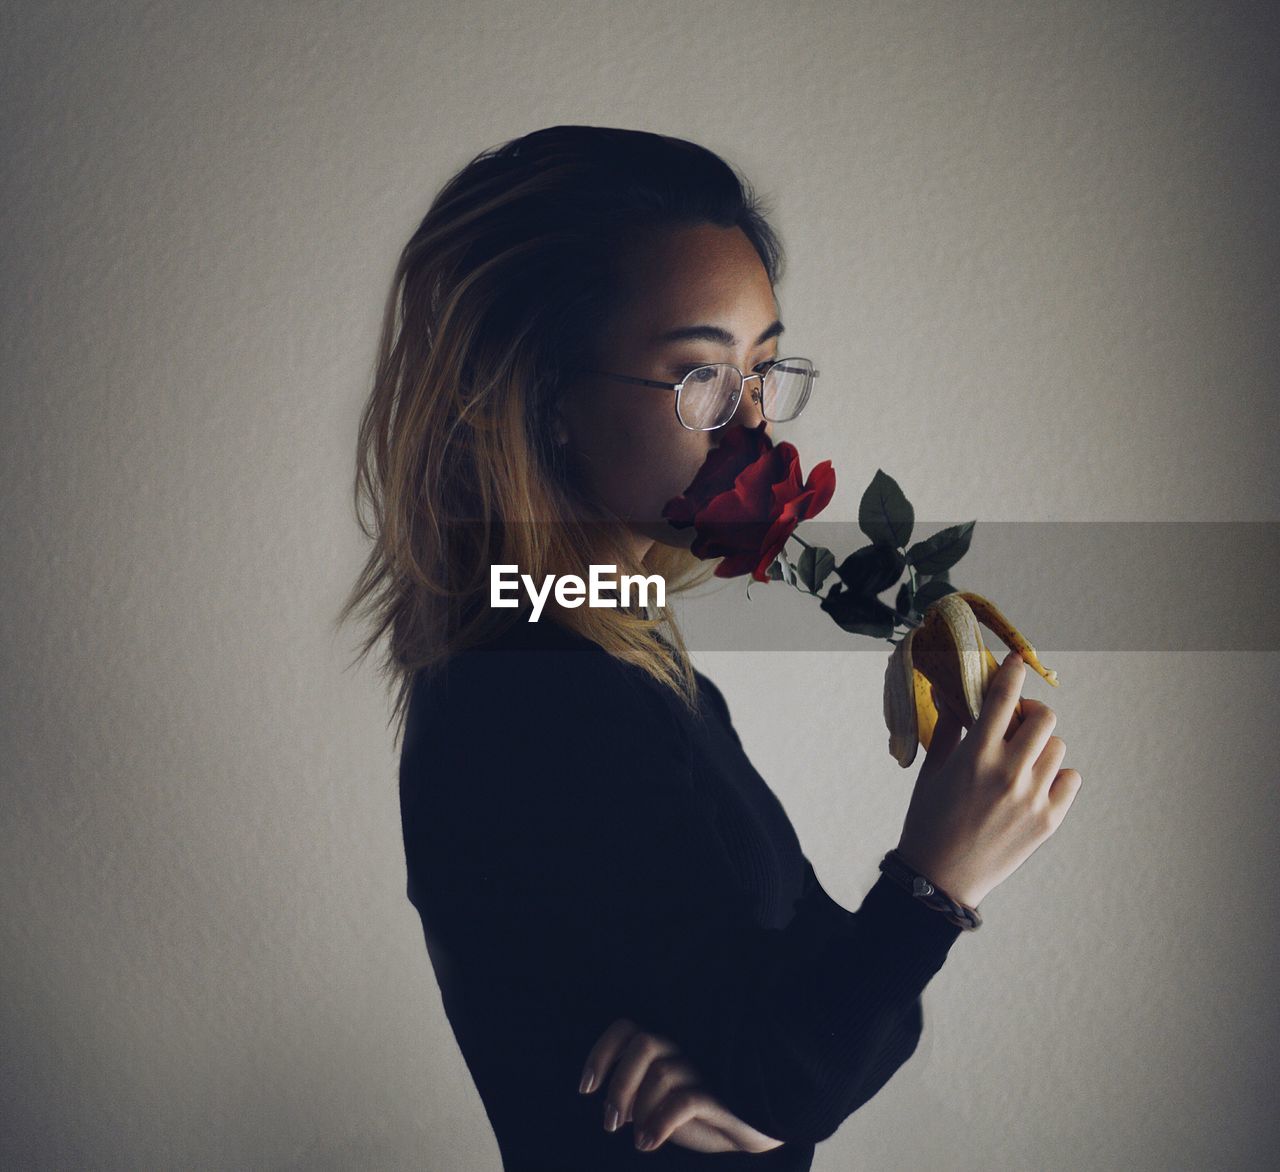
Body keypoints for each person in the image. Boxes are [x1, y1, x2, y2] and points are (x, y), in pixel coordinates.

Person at [338, 125, 1082, 1170]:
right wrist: (937, 877)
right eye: (697, 376)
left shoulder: (628, 656)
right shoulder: (533, 691)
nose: (755, 431)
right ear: (544, 397)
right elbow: (812, 1050)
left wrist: (776, 1093)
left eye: (764, 371)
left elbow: (826, 1006)